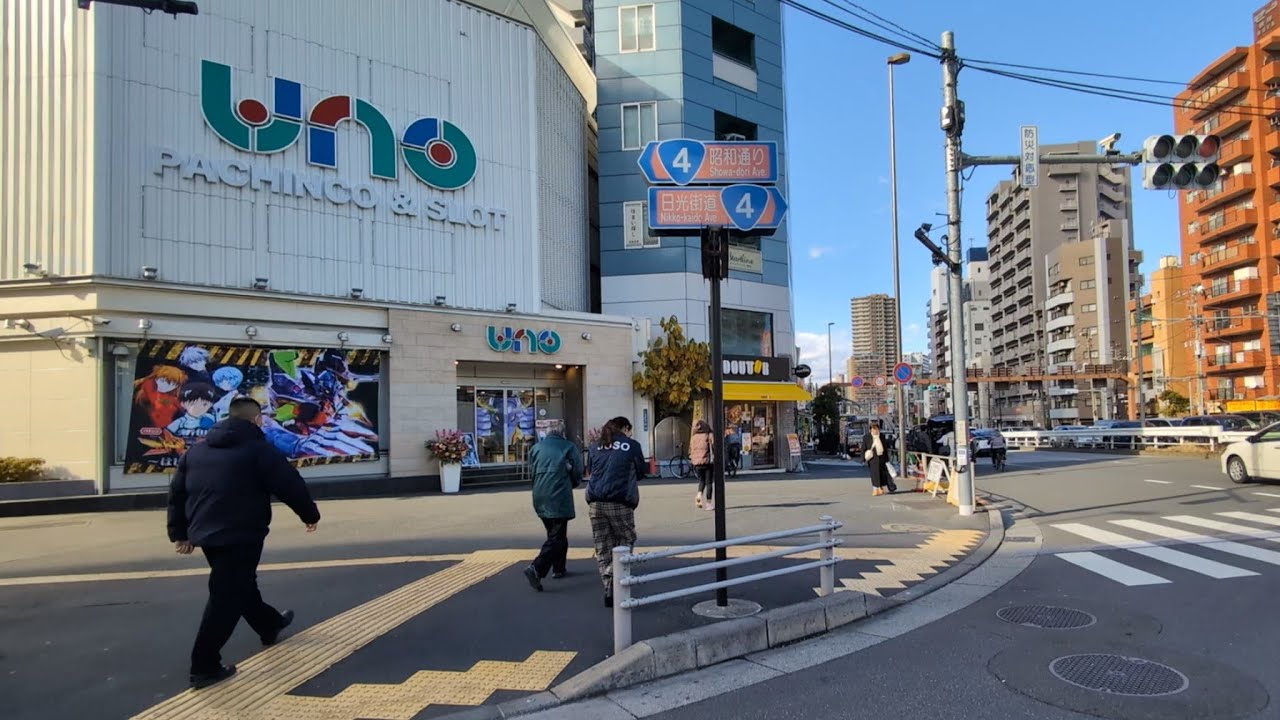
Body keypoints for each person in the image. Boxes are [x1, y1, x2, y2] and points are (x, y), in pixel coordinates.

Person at [166, 396, 321, 689]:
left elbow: (177, 494)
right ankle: (204, 665)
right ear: (256, 420)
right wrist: (309, 515)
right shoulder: (259, 450)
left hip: (207, 534)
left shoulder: (196, 452)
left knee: (238, 584)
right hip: (242, 533)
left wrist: (180, 533)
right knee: (226, 595)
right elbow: (289, 483)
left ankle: (269, 624)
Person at [586, 416, 646, 608]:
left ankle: (607, 586)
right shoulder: (632, 445)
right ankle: (613, 573)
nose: (631, 433)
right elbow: (641, 472)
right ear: (625, 428)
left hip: (595, 502)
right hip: (620, 501)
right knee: (626, 539)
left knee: (602, 545)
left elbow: (590, 471)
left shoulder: (596, 445)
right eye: (630, 430)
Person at [523, 421, 583, 592]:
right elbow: (578, 471)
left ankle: (559, 568)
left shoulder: (536, 448)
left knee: (555, 532)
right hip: (559, 494)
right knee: (556, 536)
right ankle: (537, 568)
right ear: (562, 433)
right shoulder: (568, 447)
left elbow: (531, 471)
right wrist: (572, 482)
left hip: (539, 494)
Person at [862, 421, 897, 496]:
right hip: (872, 460)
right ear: (871, 429)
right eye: (874, 429)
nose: (875, 431)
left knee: (882, 474)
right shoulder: (867, 437)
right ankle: (875, 489)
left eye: (877, 429)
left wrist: (887, 459)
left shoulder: (882, 436)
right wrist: (863, 459)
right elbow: (863, 448)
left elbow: (884, 448)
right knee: (874, 475)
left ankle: (880, 488)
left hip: (882, 459)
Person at [689, 420, 715, 510]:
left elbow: (691, 449)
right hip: (707, 461)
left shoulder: (693, 437)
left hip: (697, 463)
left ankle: (699, 494)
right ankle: (708, 503)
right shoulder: (708, 435)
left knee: (701, 480)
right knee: (709, 482)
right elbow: (714, 445)